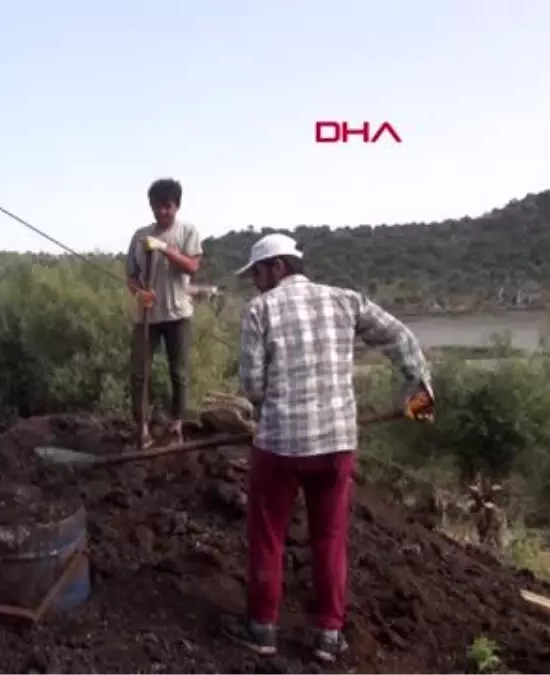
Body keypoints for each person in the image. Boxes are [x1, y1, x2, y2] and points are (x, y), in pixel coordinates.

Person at [223, 233, 435, 663]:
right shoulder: (346, 301)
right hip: (337, 444)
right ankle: (328, 636)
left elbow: (252, 385)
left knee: (268, 536)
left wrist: (269, 409)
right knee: (330, 538)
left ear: (278, 267)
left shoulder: (259, 310)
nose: (255, 282)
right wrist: (419, 388)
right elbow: (400, 338)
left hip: (280, 447)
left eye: (258, 273)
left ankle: (262, 629)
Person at [125, 178, 204, 448]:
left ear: (177, 206)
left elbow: (192, 266)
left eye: (167, 207)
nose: (162, 212)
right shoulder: (139, 236)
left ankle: (176, 426)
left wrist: (164, 250)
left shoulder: (187, 232)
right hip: (147, 316)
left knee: (178, 372)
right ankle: (142, 427)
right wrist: (138, 293)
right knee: (139, 372)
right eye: (157, 207)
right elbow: (131, 276)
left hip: (178, 314)